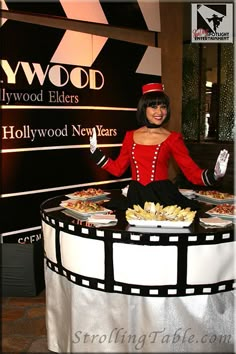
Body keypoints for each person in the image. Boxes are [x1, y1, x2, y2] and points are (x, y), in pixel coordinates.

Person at [89, 83, 229, 210]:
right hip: (135, 197)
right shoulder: (129, 136)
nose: (160, 112)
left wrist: (214, 174)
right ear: (144, 108)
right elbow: (118, 169)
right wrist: (97, 154)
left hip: (163, 197)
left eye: (163, 107)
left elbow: (191, 172)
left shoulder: (173, 138)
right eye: (154, 106)